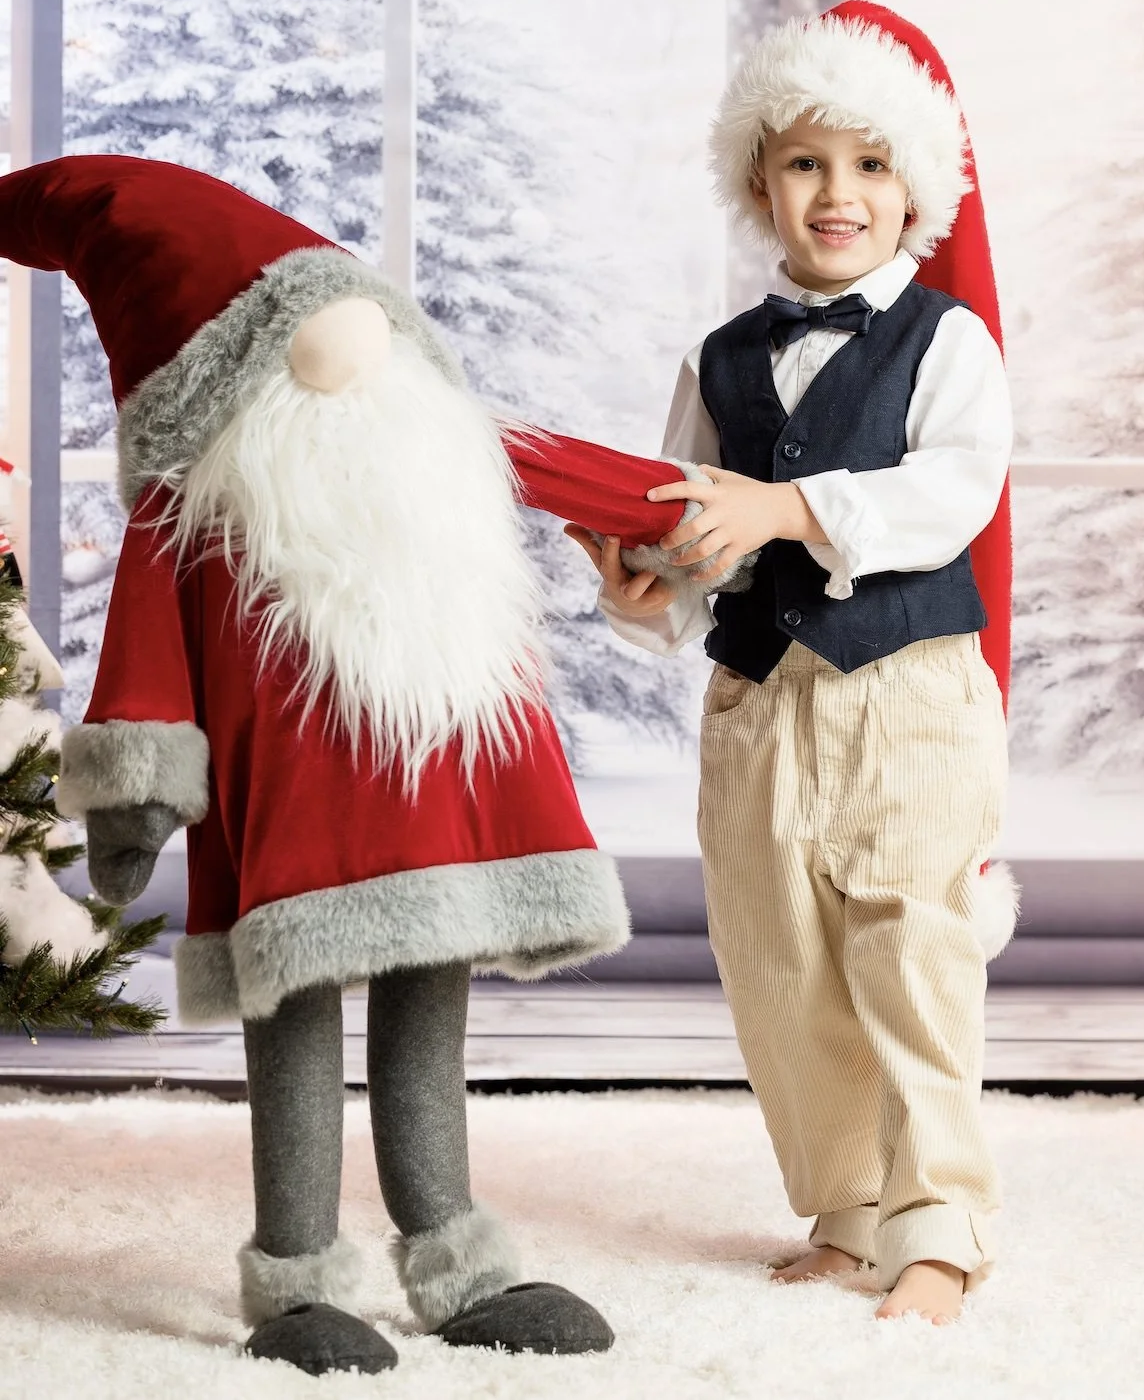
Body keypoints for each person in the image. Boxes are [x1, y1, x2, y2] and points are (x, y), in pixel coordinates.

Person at [0, 153, 701, 1377]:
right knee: (299, 1034)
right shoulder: (190, 507)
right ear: (216, 379)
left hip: (447, 799)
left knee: (429, 1021)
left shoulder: (441, 442)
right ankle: (299, 1273)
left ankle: (459, 1259)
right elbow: (145, 669)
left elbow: (599, 478)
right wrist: (136, 806)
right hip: (292, 828)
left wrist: (725, 513)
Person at [569, 1, 1016, 1326]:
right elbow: (694, 524)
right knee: (784, 967)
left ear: (915, 191)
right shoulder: (718, 361)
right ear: (759, 181)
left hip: (907, 703)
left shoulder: (948, 345)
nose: (839, 193)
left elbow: (957, 491)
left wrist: (795, 511)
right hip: (761, 704)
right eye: (809, 161)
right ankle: (847, 1209)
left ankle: (939, 1222)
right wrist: (645, 577)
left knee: (911, 955)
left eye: (873, 166)